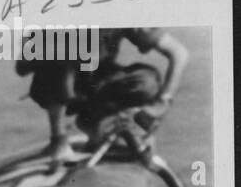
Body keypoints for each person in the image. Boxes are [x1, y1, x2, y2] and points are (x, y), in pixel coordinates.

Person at [17, 28, 189, 164]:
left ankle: (106, 126)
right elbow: (22, 67)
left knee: (147, 81)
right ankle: (59, 139)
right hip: (65, 91)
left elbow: (179, 53)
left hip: (99, 83)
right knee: (58, 57)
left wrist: (161, 104)